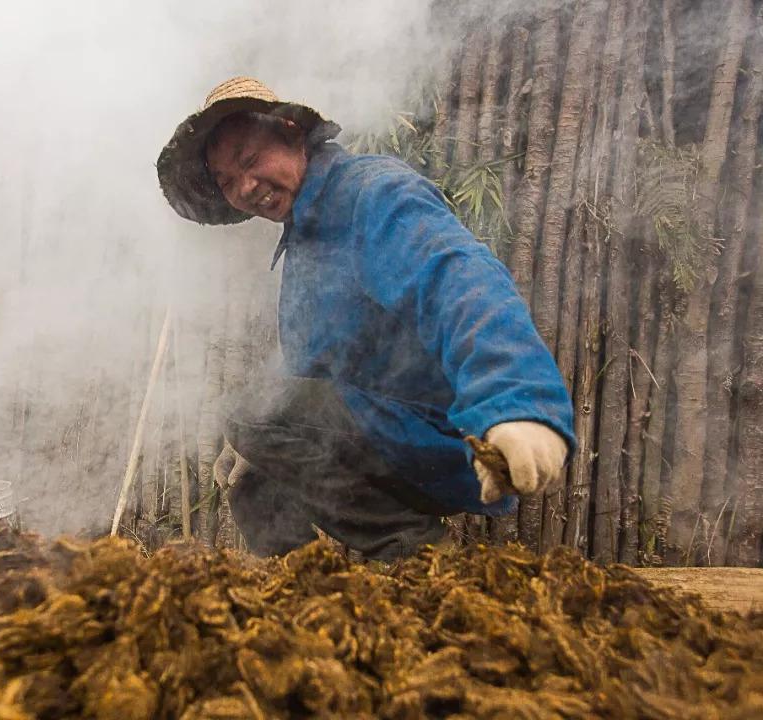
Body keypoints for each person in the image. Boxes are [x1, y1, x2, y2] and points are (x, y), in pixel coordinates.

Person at [156, 77, 575, 560]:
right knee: (256, 490)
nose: (246, 187)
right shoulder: (306, 235)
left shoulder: (373, 195)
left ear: (292, 133)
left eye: (250, 161)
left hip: (441, 440)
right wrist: (255, 441)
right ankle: (305, 598)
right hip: (386, 438)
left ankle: (419, 558)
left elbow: (459, 282)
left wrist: (515, 404)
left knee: (251, 412)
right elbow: (314, 368)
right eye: (228, 182)